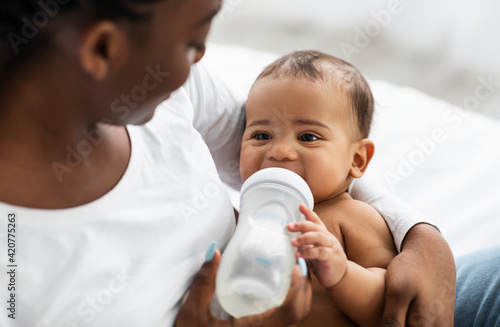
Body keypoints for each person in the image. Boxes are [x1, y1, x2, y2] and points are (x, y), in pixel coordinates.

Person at [0, 0, 457, 326]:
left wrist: (420, 236)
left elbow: (304, 159)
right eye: (192, 42)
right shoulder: (19, 269)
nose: (200, 61)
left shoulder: (170, 95)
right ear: (103, 48)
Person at [239, 50, 398, 326]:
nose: (280, 151)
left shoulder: (353, 217)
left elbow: (390, 305)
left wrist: (342, 273)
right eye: (261, 135)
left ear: (357, 159)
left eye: (308, 137)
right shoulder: (249, 217)